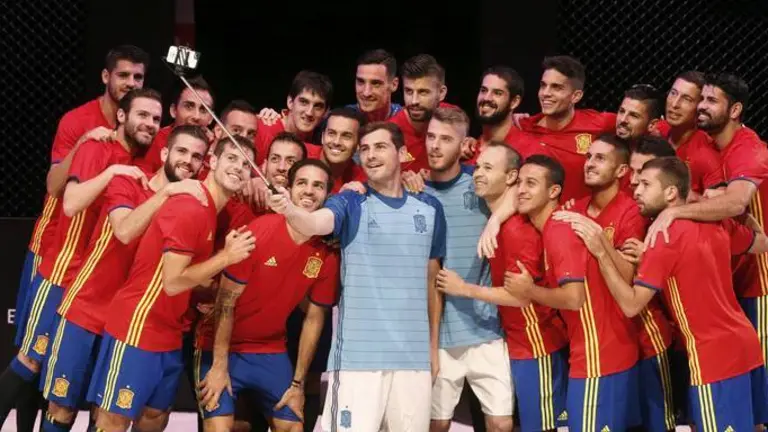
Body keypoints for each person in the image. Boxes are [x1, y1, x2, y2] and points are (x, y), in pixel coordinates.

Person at [267, 121, 447, 432]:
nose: (371, 155)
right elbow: (314, 223)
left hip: (413, 361)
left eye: (380, 147)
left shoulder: (430, 207)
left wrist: (432, 347)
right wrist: (291, 211)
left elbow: (432, 284)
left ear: (403, 153)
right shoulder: (351, 201)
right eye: (364, 149)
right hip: (357, 363)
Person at [0, 88, 162, 427]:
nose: (149, 123)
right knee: (31, 362)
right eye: (142, 115)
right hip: (61, 274)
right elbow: (71, 202)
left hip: (91, 284)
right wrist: (111, 173)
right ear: (122, 116)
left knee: (62, 384)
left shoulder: (142, 161)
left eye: (156, 119)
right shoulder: (96, 147)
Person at [38, 125, 210, 430]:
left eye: (197, 156)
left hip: (127, 325)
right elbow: (125, 231)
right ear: (165, 153)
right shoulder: (129, 180)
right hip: (85, 312)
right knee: (61, 408)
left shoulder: (187, 207)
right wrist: (167, 192)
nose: (189, 161)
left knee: (106, 415)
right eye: (182, 151)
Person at [86, 136, 257, 432]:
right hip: (138, 326)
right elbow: (173, 282)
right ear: (212, 162)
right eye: (232, 158)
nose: (239, 167)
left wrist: (211, 289)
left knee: (154, 418)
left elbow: (187, 274)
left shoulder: (209, 211)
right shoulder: (190, 207)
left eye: (246, 164)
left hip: (168, 331)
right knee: (112, 421)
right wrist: (226, 257)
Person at [592, 156, 768, 429]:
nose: (635, 190)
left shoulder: (660, 237)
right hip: (747, 345)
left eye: (645, 184)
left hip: (712, 358)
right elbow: (762, 243)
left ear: (671, 192)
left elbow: (631, 306)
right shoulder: (717, 223)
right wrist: (745, 217)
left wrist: (602, 253)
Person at [196, 159, 340, 432]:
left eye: (318, 186)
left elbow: (314, 318)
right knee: (219, 428)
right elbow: (226, 301)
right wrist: (218, 365)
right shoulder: (258, 232)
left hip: (270, 350)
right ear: (289, 188)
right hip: (221, 346)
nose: (309, 191)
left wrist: (297, 384)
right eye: (302, 183)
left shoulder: (326, 254)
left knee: (293, 427)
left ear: (326, 195)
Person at [438, 142, 569, 431]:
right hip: (518, 343)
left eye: (487, 168)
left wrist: (464, 289)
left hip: (537, 345)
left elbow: (519, 296)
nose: (477, 173)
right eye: (477, 167)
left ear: (509, 177)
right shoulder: (500, 220)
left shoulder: (517, 231)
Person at [505, 155, 639, 431]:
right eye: (519, 182)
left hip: (598, 357)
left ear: (553, 191)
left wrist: (529, 290)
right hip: (602, 352)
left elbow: (573, 298)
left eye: (531, 183)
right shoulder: (557, 226)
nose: (521, 190)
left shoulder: (559, 232)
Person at [553, 134, 675, 431]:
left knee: (655, 424)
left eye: (600, 158)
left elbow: (629, 278)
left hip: (644, 337)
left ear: (621, 171)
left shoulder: (632, 211)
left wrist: (599, 243)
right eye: (589, 156)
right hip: (596, 342)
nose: (590, 163)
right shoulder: (573, 207)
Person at [411, 108, 513, 432]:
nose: (435, 146)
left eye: (445, 139)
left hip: (485, 327)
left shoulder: (479, 183)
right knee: (436, 425)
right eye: (431, 137)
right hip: (439, 334)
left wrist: (495, 219)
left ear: (463, 144)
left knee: (500, 424)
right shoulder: (415, 192)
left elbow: (518, 193)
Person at [514, 56, 616, 202]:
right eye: (543, 85)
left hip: (581, 219)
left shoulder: (599, 123)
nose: (546, 93)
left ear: (576, 96)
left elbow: (643, 123)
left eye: (557, 87)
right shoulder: (523, 127)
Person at [655, 71, 724, 197]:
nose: (674, 104)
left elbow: (721, 204)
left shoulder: (705, 154)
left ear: (701, 107)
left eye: (687, 99)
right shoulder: (657, 130)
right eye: (673, 93)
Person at [137, 75, 215, 172]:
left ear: (211, 118)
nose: (196, 116)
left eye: (203, 110)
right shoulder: (155, 139)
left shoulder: (216, 151)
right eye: (189, 106)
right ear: (173, 110)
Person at [254, 71, 332, 165]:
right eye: (304, 102)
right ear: (290, 102)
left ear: (326, 112)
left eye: (318, 106)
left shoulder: (324, 141)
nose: (309, 112)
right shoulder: (263, 127)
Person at [388, 54, 448, 173]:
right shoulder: (389, 133)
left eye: (423, 92)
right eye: (409, 91)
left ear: (441, 93)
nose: (414, 101)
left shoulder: (454, 117)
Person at [473, 66, 525, 158]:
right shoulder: (467, 150)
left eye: (497, 93)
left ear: (514, 102)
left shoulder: (527, 150)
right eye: (483, 90)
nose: (486, 98)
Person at [349, 49, 402, 122]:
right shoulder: (341, 120)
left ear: (394, 85)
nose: (366, 93)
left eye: (376, 83)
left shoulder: (408, 120)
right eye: (361, 82)